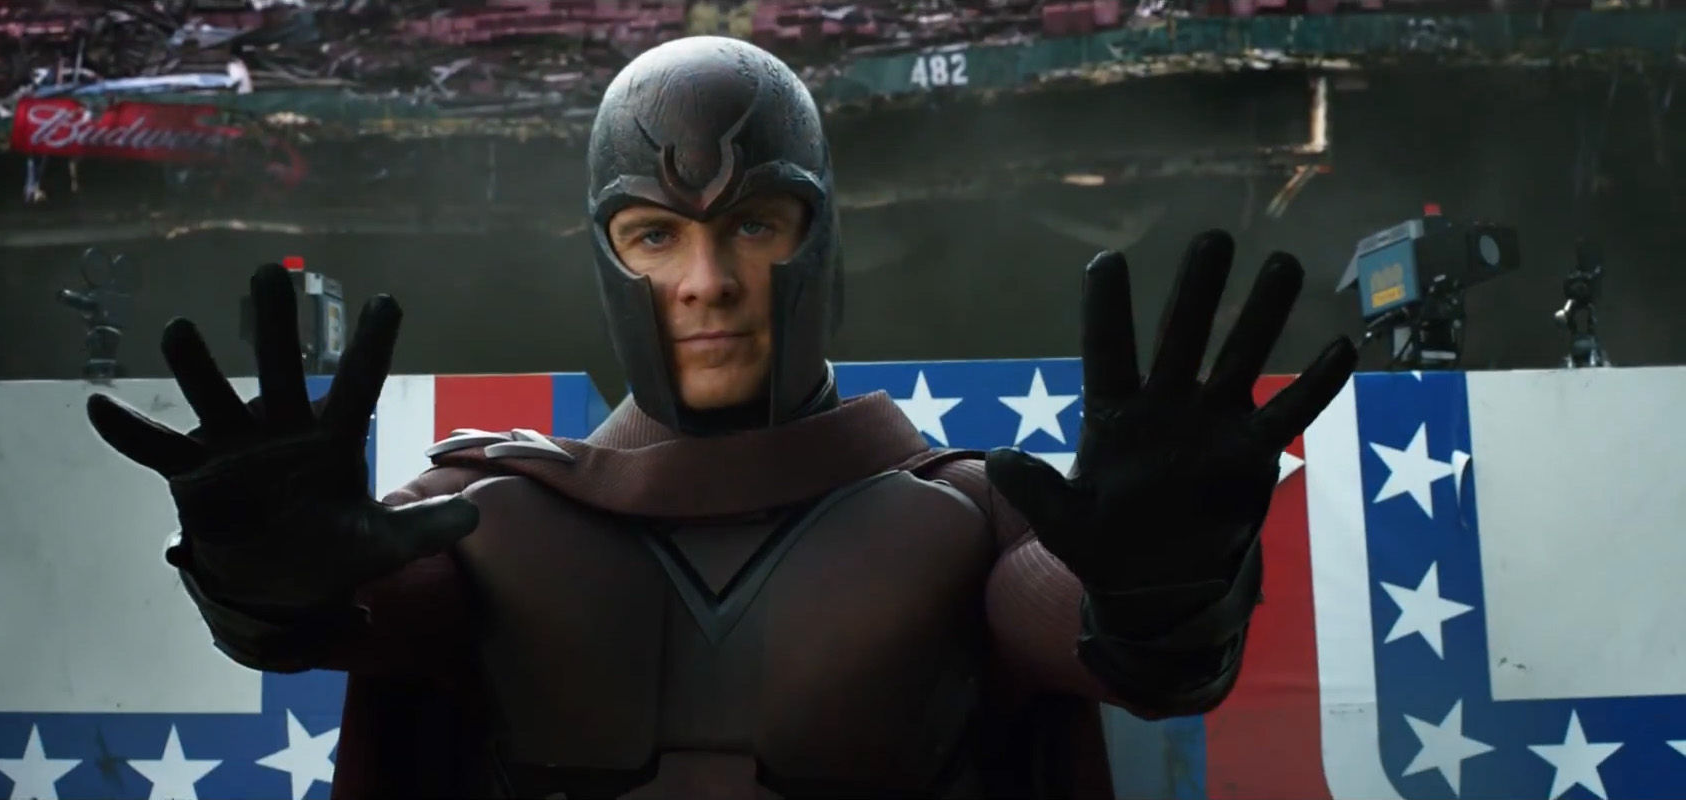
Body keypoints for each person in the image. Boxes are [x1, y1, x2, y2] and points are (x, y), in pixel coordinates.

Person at [87, 36, 1356, 800]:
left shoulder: (958, 514)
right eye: (655, 233)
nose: (707, 281)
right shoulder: (489, 513)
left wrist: (1161, 591)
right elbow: (367, 603)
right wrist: (269, 583)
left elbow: (1094, 634)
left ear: (818, 237)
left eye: (754, 222)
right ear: (607, 258)